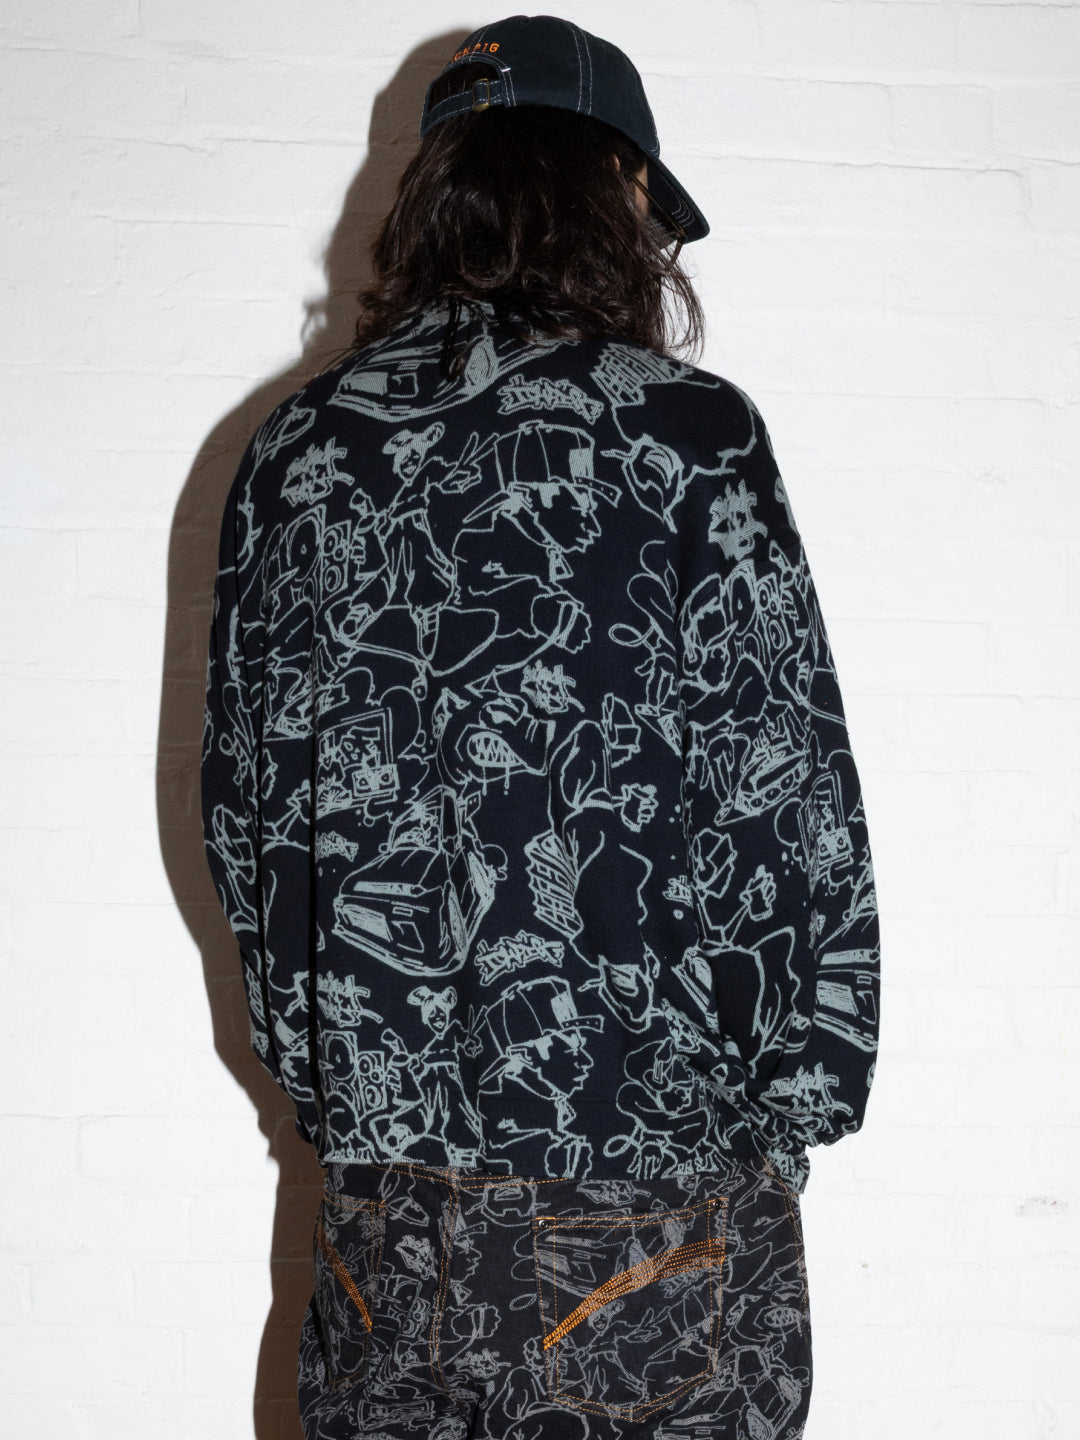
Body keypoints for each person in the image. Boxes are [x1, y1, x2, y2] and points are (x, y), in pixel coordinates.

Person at [200, 14, 881, 1438]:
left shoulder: (292, 451)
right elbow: (781, 796)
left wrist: (339, 1094)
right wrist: (793, 1103)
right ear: (612, 191)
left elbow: (248, 825)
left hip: (387, 1205)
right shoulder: (684, 433)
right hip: (645, 1190)